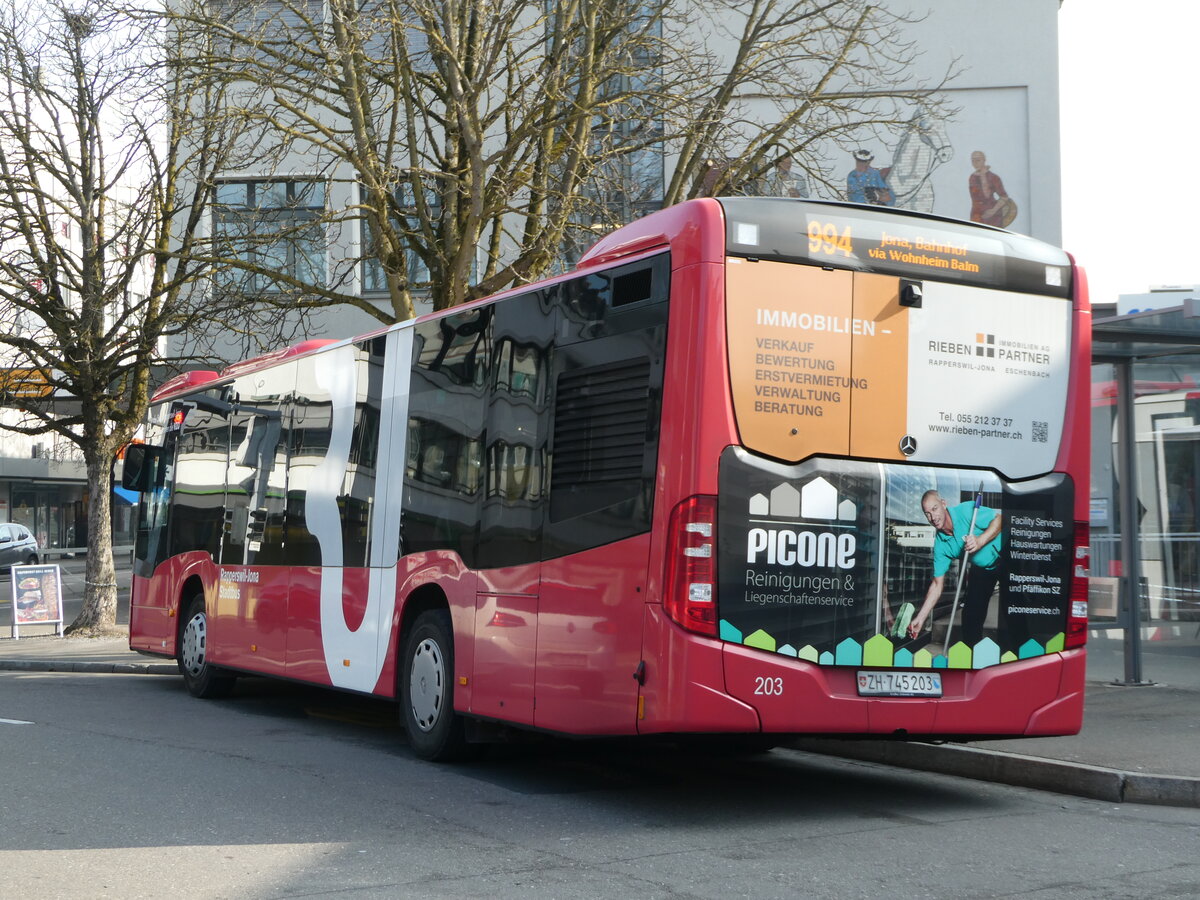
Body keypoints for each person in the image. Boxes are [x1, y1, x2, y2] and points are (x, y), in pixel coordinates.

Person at [908, 490, 1003, 647]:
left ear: (943, 504)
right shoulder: (941, 545)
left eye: (935, 509)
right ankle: (972, 658)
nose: (932, 517)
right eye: (927, 513)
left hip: (1007, 555)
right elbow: (937, 585)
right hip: (983, 568)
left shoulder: (966, 511)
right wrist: (921, 617)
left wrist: (980, 540)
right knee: (970, 617)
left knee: (1013, 612)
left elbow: (1000, 520)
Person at [968, 150, 1012, 226]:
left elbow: (1004, 197)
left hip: (992, 215)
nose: (975, 162)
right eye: (973, 160)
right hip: (976, 215)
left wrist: (993, 211)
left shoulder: (993, 177)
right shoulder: (972, 177)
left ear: (984, 160)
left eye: (978, 160)